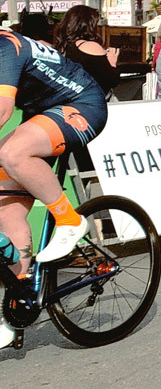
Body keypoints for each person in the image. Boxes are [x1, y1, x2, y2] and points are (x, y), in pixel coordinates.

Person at [0, 20, 111, 332]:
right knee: (7, 207)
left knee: (12, 153)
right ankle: (21, 296)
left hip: (82, 105)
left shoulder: (6, 46)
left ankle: (69, 219)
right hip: (46, 113)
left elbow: (3, 111)